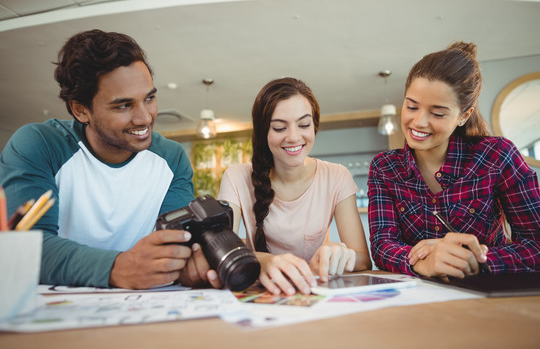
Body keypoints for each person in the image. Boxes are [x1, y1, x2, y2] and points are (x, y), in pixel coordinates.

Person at [0, 29, 221, 289]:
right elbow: (26, 247)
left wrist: (190, 263)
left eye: (149, 98)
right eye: (124, 105)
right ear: (80, 109)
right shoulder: (39, 144)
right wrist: (116, 267)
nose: (145, 118)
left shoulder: (172, 159)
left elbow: (178, 239)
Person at [368, 41, 540, 278]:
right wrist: (423, 262)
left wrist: (476, 260)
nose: (419, 122)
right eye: (411, 106)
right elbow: (382, 244)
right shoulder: (385, 167)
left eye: (437, 113)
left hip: (488, 291)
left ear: (463, 115)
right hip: (419, 298)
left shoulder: (497, 155)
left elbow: (536, 243)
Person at [218, 77, 372, 296]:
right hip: (260, 295)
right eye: (279, 127)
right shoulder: (236, 177)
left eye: (304, 124)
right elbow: (220, 250)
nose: (293, 137)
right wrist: (262, 261)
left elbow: (363, 261)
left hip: (315, 293)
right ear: (264, 133)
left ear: (315, 126)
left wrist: (340, 253)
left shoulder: (337, 176)